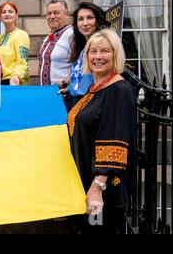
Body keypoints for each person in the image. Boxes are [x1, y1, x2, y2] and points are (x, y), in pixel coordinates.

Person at [67, 28, 137, 234]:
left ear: (116, 55)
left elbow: (114, 141)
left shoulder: (118, 90)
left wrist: (97, 188)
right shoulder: (96, 89)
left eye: (105, 51)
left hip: (103, 191)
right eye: (93, 51)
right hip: (85, 183)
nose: (98, 57)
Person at [59, 2, 110, 111]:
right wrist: (70, 90)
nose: (85, 23)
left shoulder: (103, 47)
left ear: (98, 20)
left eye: (90, 18)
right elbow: (82, 78)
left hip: (89, 104)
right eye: (80, 19)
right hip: (74, 102)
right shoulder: (81, 48)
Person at [38, 0, 73, 86]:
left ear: (67, 14)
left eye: (56, 13)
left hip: (64, 94)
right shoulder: (47, 38)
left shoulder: (73, 35)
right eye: (49, 13)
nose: (52, 16)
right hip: (47, 94)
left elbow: (82, 67)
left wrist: (65, 84)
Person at [0, 1, 31, 85]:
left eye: (10, 11)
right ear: (0, 17)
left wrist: (17, 76)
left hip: (14, 81)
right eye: (3, 12)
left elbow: (23, 60)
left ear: (16, 15)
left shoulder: (21, 34)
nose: (7, 14)